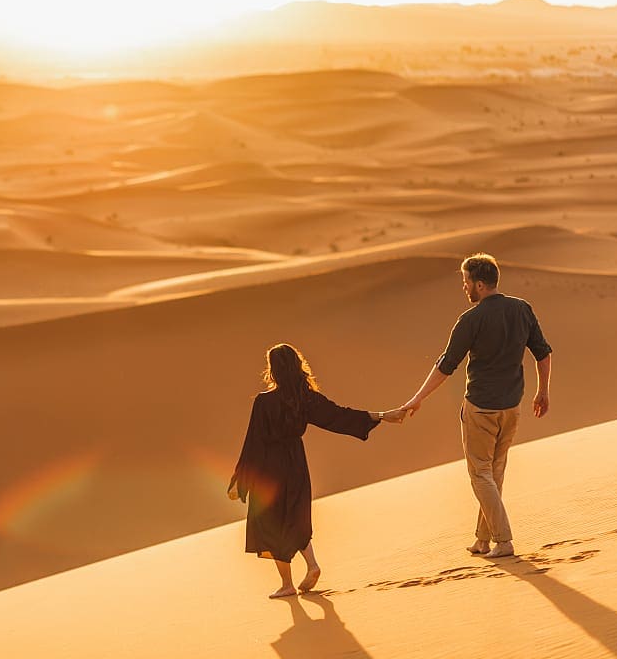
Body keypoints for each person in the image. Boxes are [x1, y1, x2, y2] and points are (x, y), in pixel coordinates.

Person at [401, 253, 552, 559]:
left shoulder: (471, 320)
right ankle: (483, 540)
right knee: (494, 473)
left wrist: (418, 398)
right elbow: (543, 353)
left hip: (481, 409)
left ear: (480, 284)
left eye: (466, 281)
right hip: (512, 407)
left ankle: (503, 540)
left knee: (481, 474)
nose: (464, 286)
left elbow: (446, 364)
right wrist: (543, 392)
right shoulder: (521, 309)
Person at [228, 343, 405, 598]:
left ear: (273, 370)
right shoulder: (305, 398)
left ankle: (287, 584)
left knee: (270, 524)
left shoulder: (264, 402)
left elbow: (253, 443)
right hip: (296, 464)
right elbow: (338, 416)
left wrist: (241, 479)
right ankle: (312, 564)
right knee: (295, 516)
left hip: (269, 468)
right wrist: (382, 415)